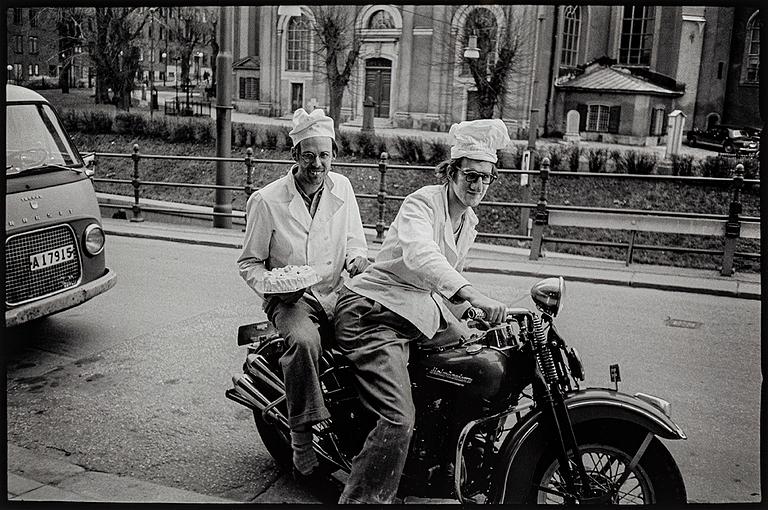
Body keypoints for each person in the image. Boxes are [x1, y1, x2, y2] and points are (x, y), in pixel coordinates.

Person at [333, 118, 511, 504]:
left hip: (416, 312)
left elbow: (443, 284)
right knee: (398, 418)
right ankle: (363, 500)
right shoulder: (422, 204)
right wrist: (473, 295)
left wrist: (479, 312)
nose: (477, 184)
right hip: (374, 312)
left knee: (482, 359)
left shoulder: (468, 220)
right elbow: (421, 255)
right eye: (470, 175)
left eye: (486, 177)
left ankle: (445, 461)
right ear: (451, 172)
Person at [237, 108, 369, 478]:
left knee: (376, 335)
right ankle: (301, 437)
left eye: (324, 155)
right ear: (295, 156)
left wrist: (358, 259)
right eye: (308, 155)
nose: (317, 164)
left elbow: (356, 241)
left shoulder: (342, 188)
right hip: (292, 299)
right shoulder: (267, 201)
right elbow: (249, 263)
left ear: (333, 156)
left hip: (338, 293)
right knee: (305, 341)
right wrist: (278, 285)